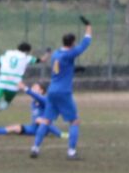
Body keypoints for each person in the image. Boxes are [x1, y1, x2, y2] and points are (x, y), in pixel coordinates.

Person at [32, 19, 92, 160]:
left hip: (52, 91)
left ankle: (35, 148)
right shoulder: (69, 54)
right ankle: (71, 152)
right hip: (63, 92)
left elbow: (62, 70)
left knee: (46, 120)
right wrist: (88, 26)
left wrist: (74, 69)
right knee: (74, 121)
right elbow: (86, 43)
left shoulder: (56, 54)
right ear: (72, 43)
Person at [0, 42, 48, 130]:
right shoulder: (26, 57)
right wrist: (48, 53)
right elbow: (42, 60)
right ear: (27, 51)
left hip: (1, 82)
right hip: (14, 85)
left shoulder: (6, 54)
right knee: (6, 102)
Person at [0, 82, 65, 140]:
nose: (33, 88)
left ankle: (60, 134)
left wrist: (26, 88)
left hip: (44, 128)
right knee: (14, 128)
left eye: (35, 87)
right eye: (32, 87)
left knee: (38, 120)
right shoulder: (33, 102)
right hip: (33, 128)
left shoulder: (44, 99)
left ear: (41, 91)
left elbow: (37, 97)